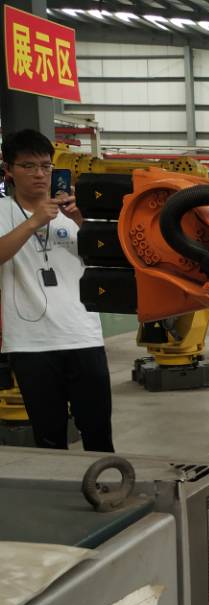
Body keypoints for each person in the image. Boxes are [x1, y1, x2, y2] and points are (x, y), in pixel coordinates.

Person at [0, 129, 113, 452]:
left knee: (98, 433)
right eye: (29, 166)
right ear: (9, 170)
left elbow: (103, 259)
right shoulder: (4, 211)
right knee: (49, 439)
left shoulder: (72, 212)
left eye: (46, 166)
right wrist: (33, 222)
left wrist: (82, 221)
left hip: (83, 336)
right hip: (31, 344)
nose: (39, 174)